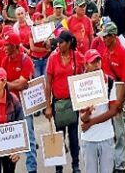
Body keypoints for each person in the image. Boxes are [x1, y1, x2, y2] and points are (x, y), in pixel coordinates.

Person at [0, 31, 37, 173]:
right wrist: (13, 84)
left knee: (28, 138)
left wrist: (6, 85)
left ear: (15, 46)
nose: (4, 48)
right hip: (9, 104)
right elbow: (8, 82)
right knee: (10, 139)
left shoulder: (26, 60)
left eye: (7, 45)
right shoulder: (5, 60)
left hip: (23, 105)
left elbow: (22, 84)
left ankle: (32, 169)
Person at [44, 31, 84, 173]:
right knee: (58, 137)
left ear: (68, 43)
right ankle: (59, 168)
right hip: (58, 104)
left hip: (72, 103)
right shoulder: (53, 58)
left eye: (61, 42)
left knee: (73, 137)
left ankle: (75, 165)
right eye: (58, 42)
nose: (58, 45)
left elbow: (86, 71)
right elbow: (48, 83)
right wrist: (48, 106)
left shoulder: (77, 57)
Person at [97, 22, 125, 173]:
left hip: (118, 98)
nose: (103, 39)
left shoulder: (123, 54)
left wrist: (119, 103)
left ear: (113, 36)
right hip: (108, 97)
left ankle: (120, 165)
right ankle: (111, 161)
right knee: (109, 132)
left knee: (119, 133)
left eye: (106, 37)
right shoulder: (106, 52)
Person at [79, 49, 118, 173]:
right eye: (93, 62)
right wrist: (88, 112)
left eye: (98, 61)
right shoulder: (80, 85)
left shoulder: (109, 81)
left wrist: (91, 122)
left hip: (106, 137)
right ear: (86, 65)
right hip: (89, 139)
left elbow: (113, 111)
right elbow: (83, 118)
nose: (96, 65)